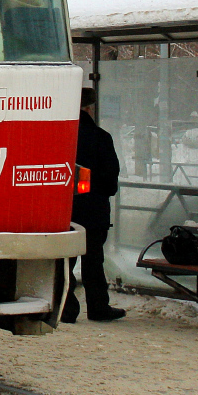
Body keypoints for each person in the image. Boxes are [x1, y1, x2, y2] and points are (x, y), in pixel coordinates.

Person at [63, 86, 126, 323]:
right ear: (90, 108)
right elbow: (110, 184)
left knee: (65, 263)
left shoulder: (62, 136)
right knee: (93, 264)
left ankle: (67, 309)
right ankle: (98, 308)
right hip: (93, 213)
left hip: (65, 212)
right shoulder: (101, 138)